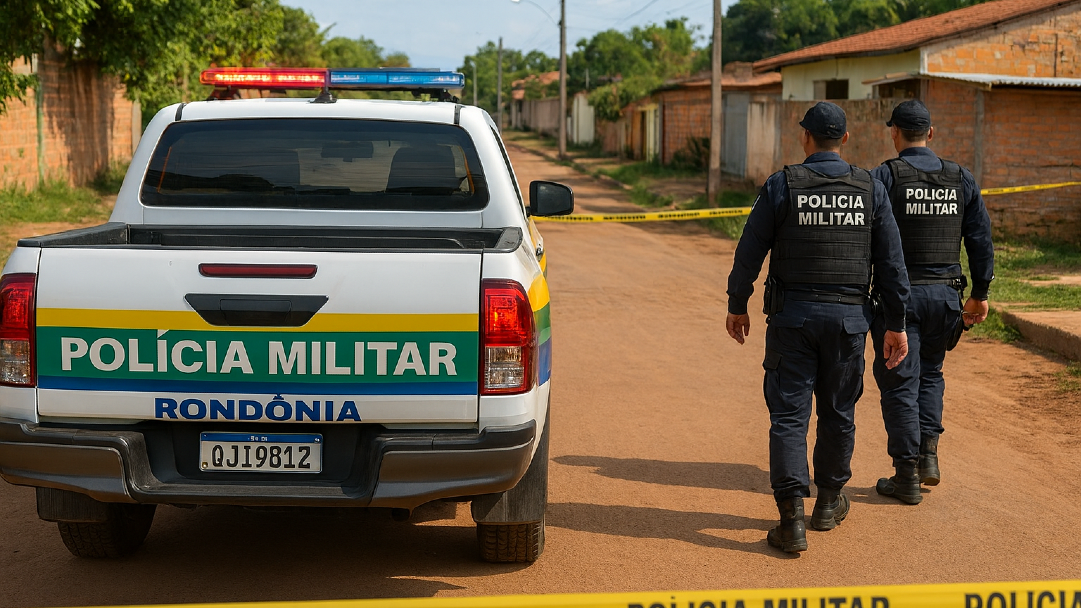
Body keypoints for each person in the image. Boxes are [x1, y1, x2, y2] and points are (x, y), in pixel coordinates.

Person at [725, 101, 911, 554]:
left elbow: (750, 250)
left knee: (789, 417)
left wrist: (738, 303)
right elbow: (891, 263)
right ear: (845, 140)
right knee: (838, 413)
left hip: (793, 320)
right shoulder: (870, 188)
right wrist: (897, 323)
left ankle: (791, 520)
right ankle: (827, 502)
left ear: (804, 137)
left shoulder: (783, 185)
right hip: (849, 323)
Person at [870, 99, 994, 504]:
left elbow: (865, 239)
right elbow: (980, 240)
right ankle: (928, 457)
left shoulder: (886, 176)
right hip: (946, 298)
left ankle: (905, 475)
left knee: (899, 380)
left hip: (900, 300)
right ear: (931, 133)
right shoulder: (961, 178)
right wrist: (980, 294)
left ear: (894, 133)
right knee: (932, 374)